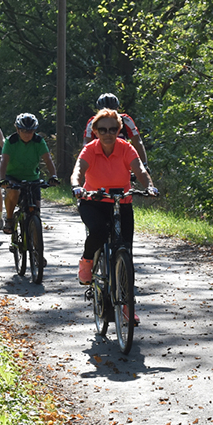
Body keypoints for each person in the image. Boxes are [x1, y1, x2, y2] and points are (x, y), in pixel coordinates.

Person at [71, 108, 158, 300]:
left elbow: (140, 170)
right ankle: (87, 261)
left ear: (119, 130)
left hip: (121, 202)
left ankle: (127, 305)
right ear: (95, 131)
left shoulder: (126, 148)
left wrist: (150, 186)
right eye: (102, 130)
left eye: (112, 129)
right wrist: (77, 186)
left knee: (126, 250)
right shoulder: (90, 149)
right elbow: (79, 169)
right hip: (93, 202)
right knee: (99, 231)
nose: (108, 133)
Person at [0, 113, 59, 234]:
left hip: (32, 178)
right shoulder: (11, 141)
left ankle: (34, 241)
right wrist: (2, 179)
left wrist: (53, 176)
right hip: (13, 177)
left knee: (36, 210)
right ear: (17, 130)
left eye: (30, 131)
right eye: (24, 131)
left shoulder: (38, 141)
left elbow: (48, 160)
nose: (27, 134)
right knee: (14, 193)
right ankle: (9, 219)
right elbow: (4, 161)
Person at [82, 93, 149, 169]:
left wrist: (144, 165)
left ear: (117, 109)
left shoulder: (126, 120)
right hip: (101, 160)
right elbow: (86, 145)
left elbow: (137, 142)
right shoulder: (93, 122)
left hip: (122, 159)